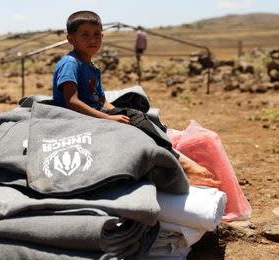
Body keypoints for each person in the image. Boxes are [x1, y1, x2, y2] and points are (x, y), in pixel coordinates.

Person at [52, 10, 219, 187]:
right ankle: (181, 163)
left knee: (136, 116)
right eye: (84, 35)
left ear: (103, 36)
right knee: (136, 119)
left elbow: (102, 101)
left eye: (96, 35)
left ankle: (170, 158)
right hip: (75, 118)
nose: (92, 40)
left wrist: (118, 114)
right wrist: (110, 118)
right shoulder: (71, 63)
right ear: (71, 39)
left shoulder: (91, 66)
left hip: (94, 113)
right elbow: (72, 102)